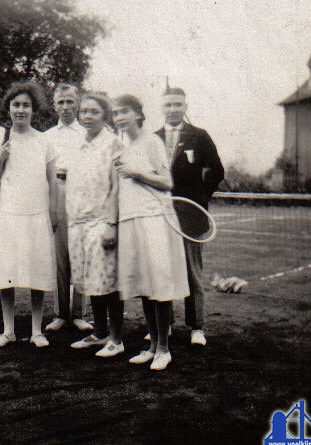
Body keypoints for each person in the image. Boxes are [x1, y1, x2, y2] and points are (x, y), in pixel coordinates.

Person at [112, 94, 190, 370]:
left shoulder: (152, 142)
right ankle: (153, 345)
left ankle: (164, 349)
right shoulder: (120, 145)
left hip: (155, 218)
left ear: (138, 113)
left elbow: (168, 182)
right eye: (116, 113)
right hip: (131, 219)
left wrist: (138, 173)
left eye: (124, 112)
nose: (119, 117)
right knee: (145, 284)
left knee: (159, 283)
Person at [0, 81, 58, 348]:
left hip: (36, 214)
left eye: (26, 105)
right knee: (6, 272)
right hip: (8, 214)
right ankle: (8, 330)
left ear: (33, 109)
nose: (21, 109)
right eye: (16, 105)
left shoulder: (44, 141)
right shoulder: (1, 142)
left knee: (36, 273)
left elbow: (52, 181)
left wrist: (52, 212)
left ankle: (37, 330)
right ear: (8, 108)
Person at [154, 87, 224, 346]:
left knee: (192, 271)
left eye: (178, 104)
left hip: (190, 214)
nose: (173, 109)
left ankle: (197, 327)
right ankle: (165, 324)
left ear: (185, 106)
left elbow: (217, 171)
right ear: (162, 108)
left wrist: (199, 200)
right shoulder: (153, 138)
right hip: (160, 214)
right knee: (162, 269)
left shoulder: (199, 136)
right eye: (168, 105)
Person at [66, 93, 125, 357]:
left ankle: (116, 338)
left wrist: (111, 223)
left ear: (105, 116)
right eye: (84, 111)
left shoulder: (113, 144)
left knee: (108, 282)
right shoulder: (76, 144)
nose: (87, 116)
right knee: (90, 279)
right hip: (77, 223)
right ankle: (100, 333)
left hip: (102, 221)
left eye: (94, 112)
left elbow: (115, 188)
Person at [43, 84, 93, 333]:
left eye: (70, 102)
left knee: (81, 254)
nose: (65, 107)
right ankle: (60, 313)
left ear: (77, 103)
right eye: (61, 102)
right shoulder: (47, 136)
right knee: (60, 254)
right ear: (55, 105)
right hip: (58, 190)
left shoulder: (87, 133)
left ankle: (78, 313)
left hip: (82, 193)